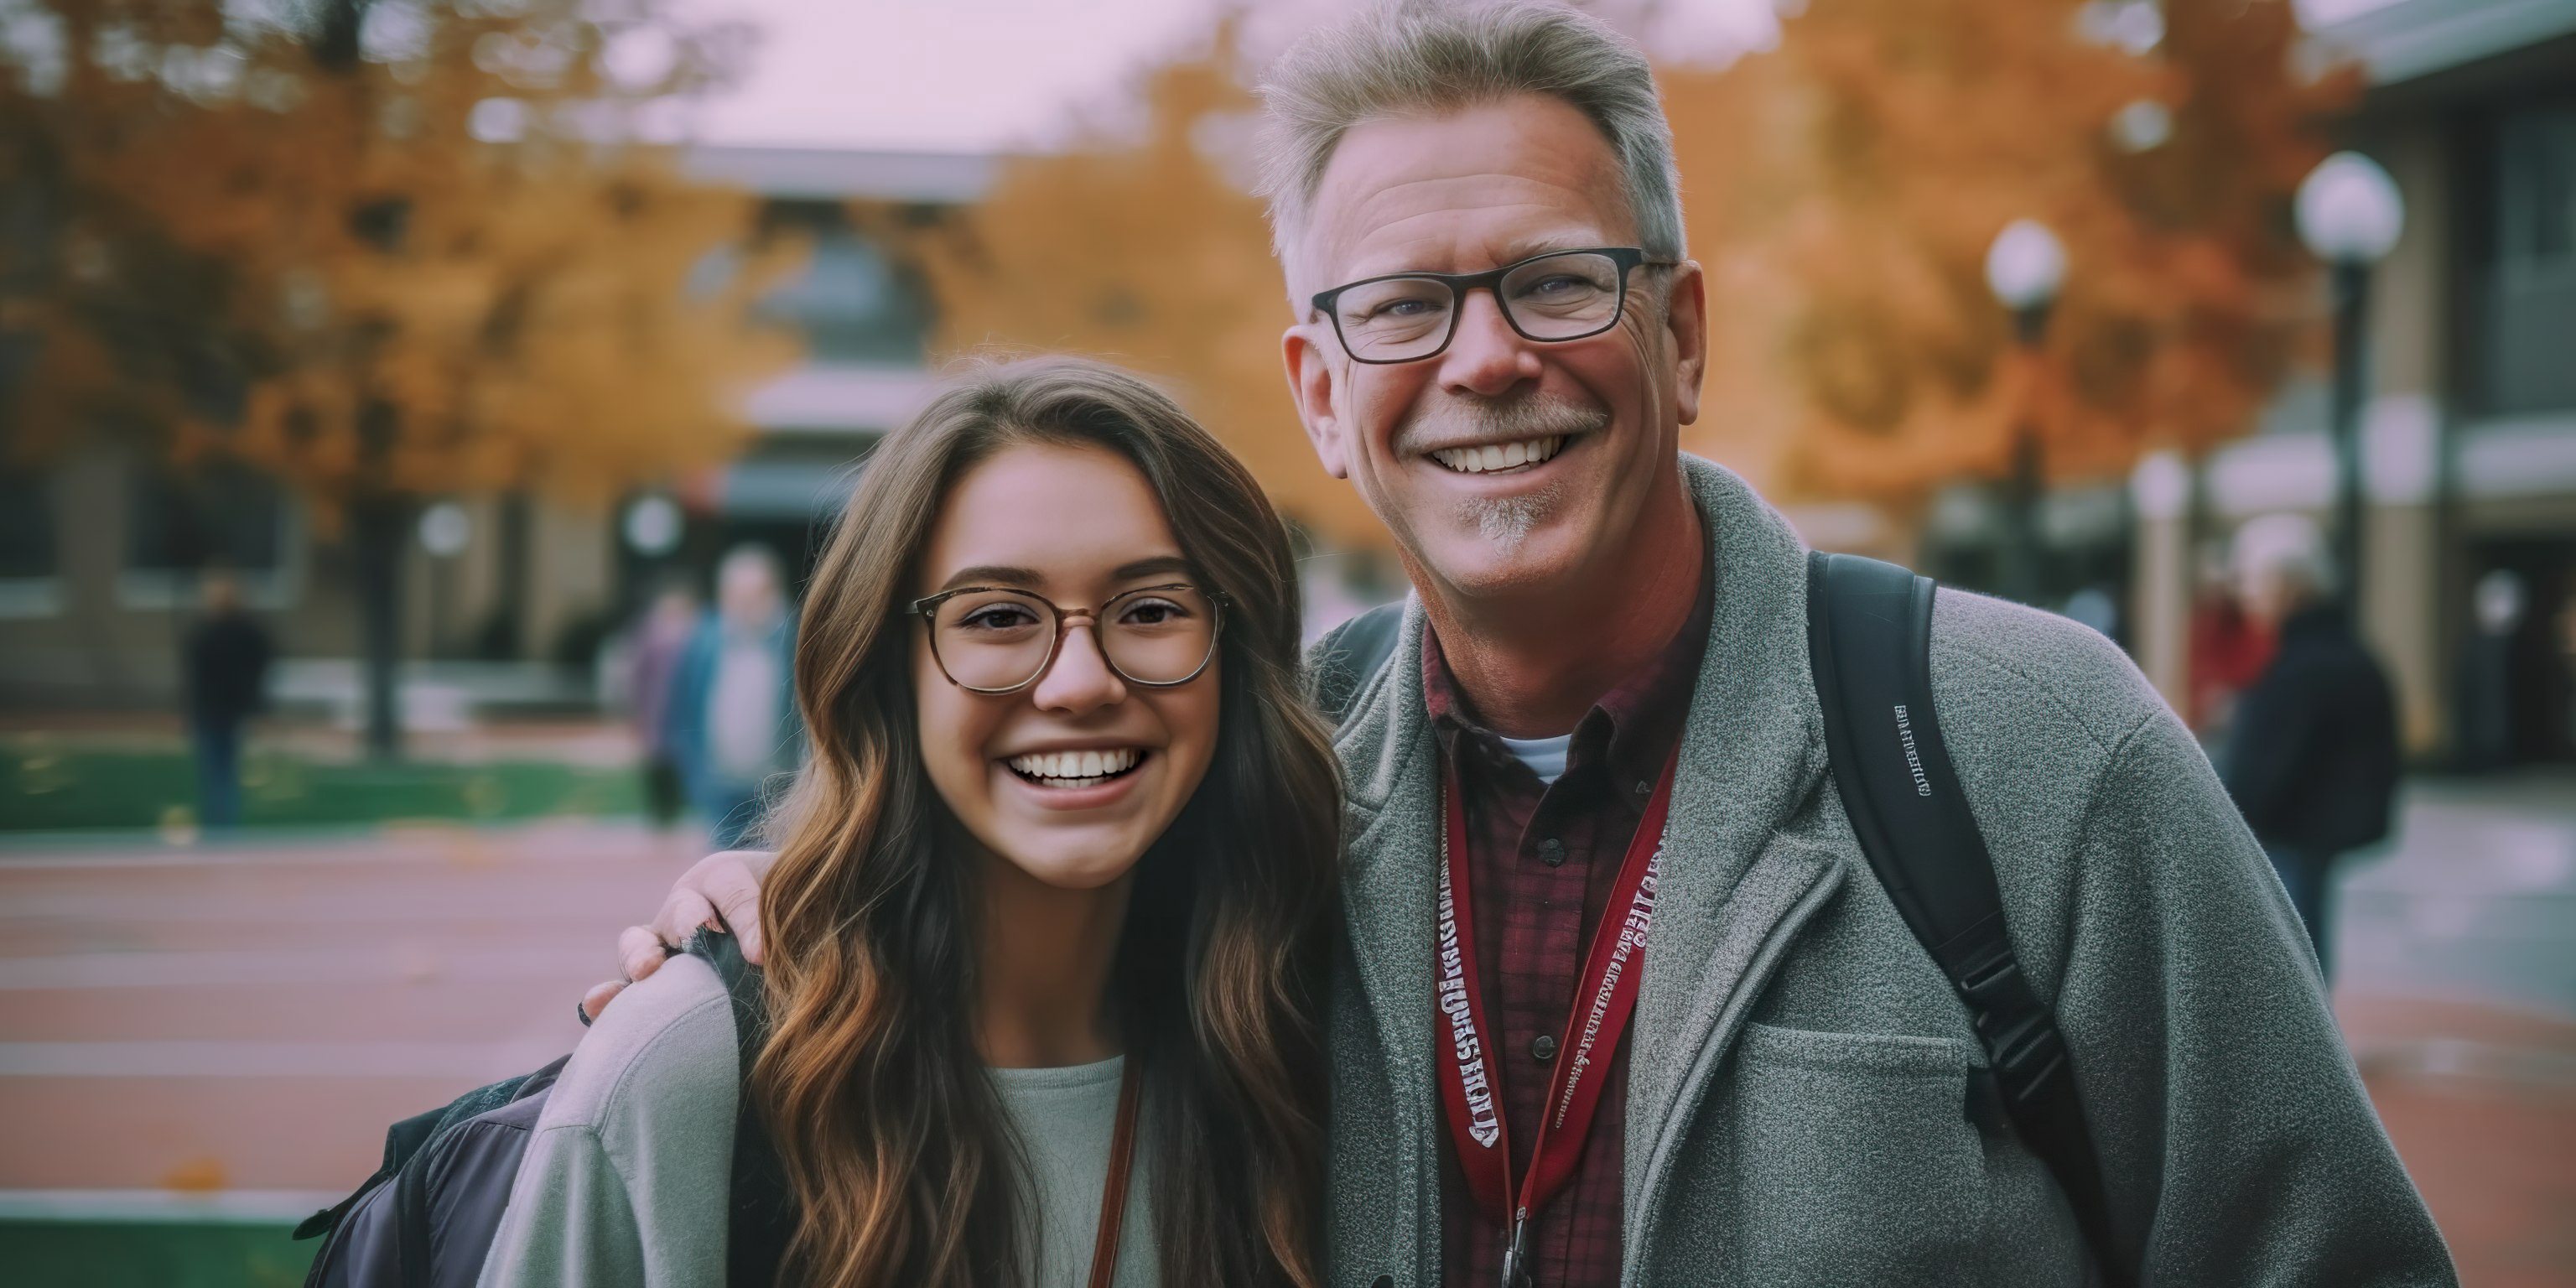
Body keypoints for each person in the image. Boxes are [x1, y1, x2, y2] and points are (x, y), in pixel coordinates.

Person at [599, 3, 2452, 1283]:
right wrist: (769, 907)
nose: (1486, 359)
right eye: (1404, 306)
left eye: (1560, 279)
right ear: (1323, 397)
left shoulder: (2027, 748)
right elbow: (1006, 860)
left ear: (1685, 337)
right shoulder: (1263, 772)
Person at [481, 358, 1338, 1286]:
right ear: (892, 672)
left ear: (1235, 657)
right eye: (1001, 615)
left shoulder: (1303, 1047)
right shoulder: (688, 1075)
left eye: (1153, 609)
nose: (1082, 681)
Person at [2220, 513, 2401, 980]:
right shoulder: (2346, 653)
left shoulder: (2300, 667)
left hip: (2290, 834)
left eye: (2252, 581)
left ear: (2287, 585)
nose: (2246, 595)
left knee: (2290, 961)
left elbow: (2259, 772)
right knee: (2306, 951)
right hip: (2318, 831)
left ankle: (2301, 1050)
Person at [667, 544, 799, 846]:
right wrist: (695, 774)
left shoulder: (794, 641)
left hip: (776, 789)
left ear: (772, 594)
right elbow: (684, 707)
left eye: (755, 595)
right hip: (720, 786)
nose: (746, 605)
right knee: (720, 870)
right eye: (737, 595)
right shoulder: (704, 644)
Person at [183, 569, 272, 830]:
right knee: (220, 772)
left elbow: (259, 661)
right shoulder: (214, 632)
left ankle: (221, 827)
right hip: (219, 710)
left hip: (223, 711)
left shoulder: (225, 632)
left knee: (220, 772)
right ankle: (220, 825)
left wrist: (251, 698)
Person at [626, 584, 699, 830]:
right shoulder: (654, 637)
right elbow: (640, 674)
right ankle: (662, 811)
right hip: (658, 708)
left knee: (676, 760)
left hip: (679, 710)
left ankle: (674, 809)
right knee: (658, 761)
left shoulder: (694, 636)